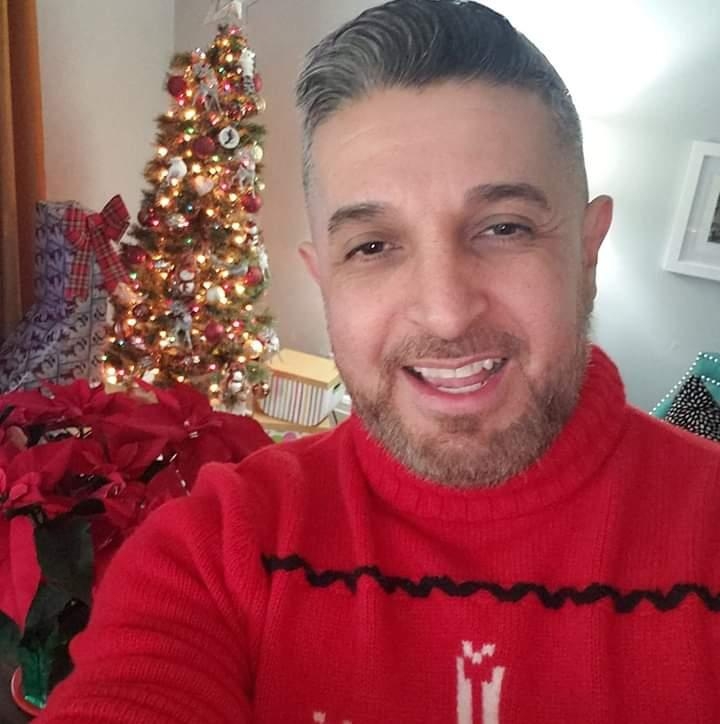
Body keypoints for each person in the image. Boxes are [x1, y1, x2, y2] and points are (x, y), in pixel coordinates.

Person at [39, 1, 720, 722]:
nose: (447, 312)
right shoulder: (217, 552)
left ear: (587, 251)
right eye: (372, 246)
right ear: (324, 278)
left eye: (503, 228)